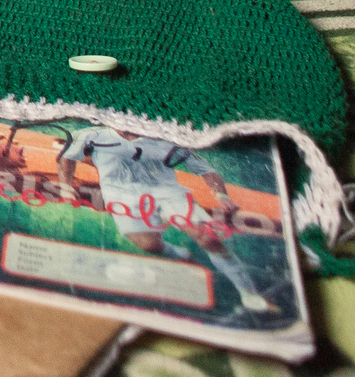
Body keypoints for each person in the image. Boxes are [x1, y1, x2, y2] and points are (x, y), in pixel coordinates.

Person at [52, 125, 277, 314]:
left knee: (208, 238)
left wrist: (221, 195)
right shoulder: (92, 135)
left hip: (168, 193)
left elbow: (204, 168)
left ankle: (249, 294)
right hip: (123, 197)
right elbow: (67, 158)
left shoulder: (165, 137)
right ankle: (181, 255)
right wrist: (65, 186)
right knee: (150, 246)